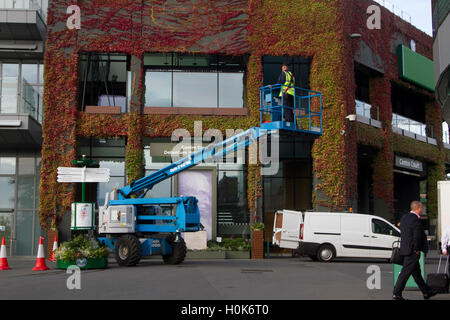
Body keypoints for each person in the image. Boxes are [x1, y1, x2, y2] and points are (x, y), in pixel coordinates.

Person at [393, 201, 438, 300]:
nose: (422, 210)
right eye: (422, 208)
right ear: (418, 208)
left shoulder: (405, 217)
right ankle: (396, 294)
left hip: (406, 248)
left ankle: (427, 292)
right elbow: (416, 236)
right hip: (412, 251)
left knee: (416, 273)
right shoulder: (415, 219)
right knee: (405, 273)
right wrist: (417, 249)